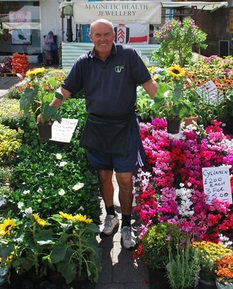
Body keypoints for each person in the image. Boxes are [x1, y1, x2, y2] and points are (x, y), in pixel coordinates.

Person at [38, 19, 158, 249]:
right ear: (91, 37)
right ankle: (110, 216)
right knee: (104, 175)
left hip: (124, 127)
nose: (102, 39)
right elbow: (65, 89)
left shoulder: (129, 55)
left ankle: (126, 225)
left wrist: (170, 107)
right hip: (97, 127)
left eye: (107, 34)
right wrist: (48, 111)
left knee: (124, 178)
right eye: (97, 35)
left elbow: (148, 83)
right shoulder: (84, 62)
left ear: (115, 35)